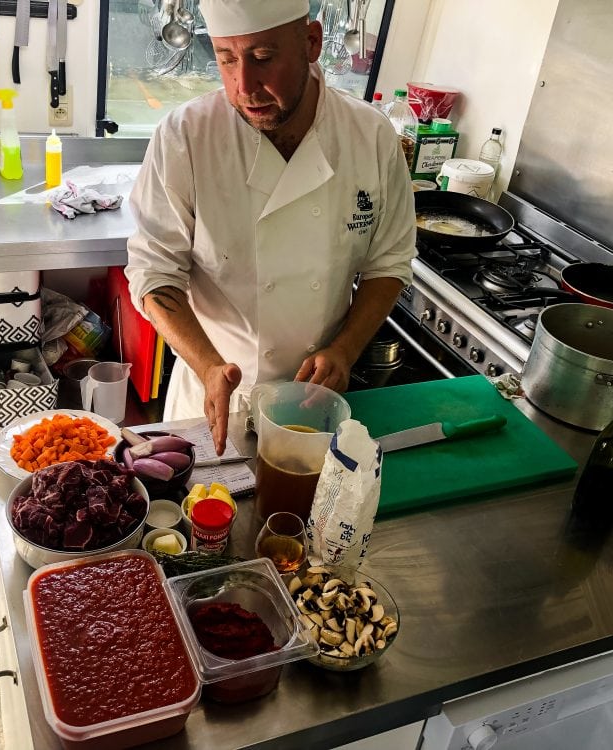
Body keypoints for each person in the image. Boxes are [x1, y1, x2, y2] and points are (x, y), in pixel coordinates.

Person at [126, 0, 416, 454]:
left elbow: (390, 262)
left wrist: (345, 350)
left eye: (263, 58)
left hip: (316, 402)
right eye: (225, 58)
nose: (244, 86)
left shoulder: (372, 138)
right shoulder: (185, 137)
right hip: (213, 396)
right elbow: (152, 274)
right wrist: (207, 367)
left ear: (311, 43)